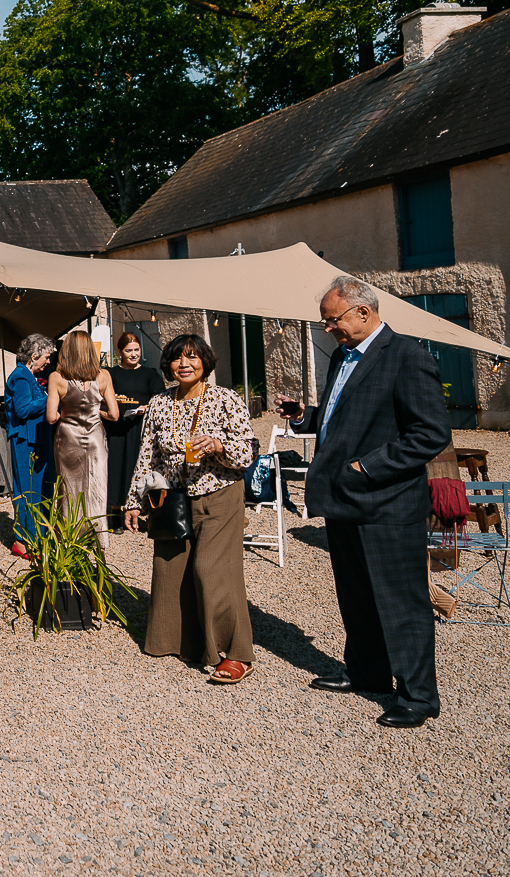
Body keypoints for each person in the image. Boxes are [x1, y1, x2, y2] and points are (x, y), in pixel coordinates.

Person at [278, 276, 451, 728]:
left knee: (401, 600)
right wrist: (304, 416)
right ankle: (368, 673)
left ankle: (418, 695)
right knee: (356, 596)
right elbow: (343, 418)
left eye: (331, 320)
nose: (328, 329)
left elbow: (430, 434)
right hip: (344, 500)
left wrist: (367, 467)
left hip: (388, 503)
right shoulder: (341, 357)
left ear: (363, 312)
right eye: (325, 322)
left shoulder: (407, 358)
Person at [125, 334, 258, 683]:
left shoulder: (226, 399)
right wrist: (134, 502)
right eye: (177, 359)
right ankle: (182, 641)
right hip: (171, 497)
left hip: (219, 493)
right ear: (168, 364)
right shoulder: (158, 404)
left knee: (211, 571)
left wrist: (217, 445)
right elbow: (147, 456)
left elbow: (247, 454)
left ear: (205, 362)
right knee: (170, 571)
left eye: (193, 357)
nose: (185, 364)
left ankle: (236, 653)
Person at [47, 331, 119, 555]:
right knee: (96, 488)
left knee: (69, 491)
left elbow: (51, 417)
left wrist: (64, 414)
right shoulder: (103, 376)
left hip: (68, 439)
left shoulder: (57, 378)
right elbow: (115, 415)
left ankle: (68, 541)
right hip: (96, 439)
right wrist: (99, 414)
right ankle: (97, 542)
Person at [105, 332, 166, 531]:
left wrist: (146, 409)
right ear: (120, 352)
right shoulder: (110, 374)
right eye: (128, 350)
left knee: (137, 468)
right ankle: (113, 513)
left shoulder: (150, 374)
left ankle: (137, 510)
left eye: (136, 350)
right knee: (114, 468)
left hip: (141, 428)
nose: (133, 354)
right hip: (115, 427)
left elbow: (160, 402)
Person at [4, 334, 56, 555]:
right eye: (46, 357)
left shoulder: (30, 376)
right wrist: (52, 397)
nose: (48, 362)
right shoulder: (21, 377)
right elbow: (23, 409)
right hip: (25, 442)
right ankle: (24, 541)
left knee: (41, 490)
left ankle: (40, 536)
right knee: (27, 492)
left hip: (37, 441)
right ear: (34, 355)